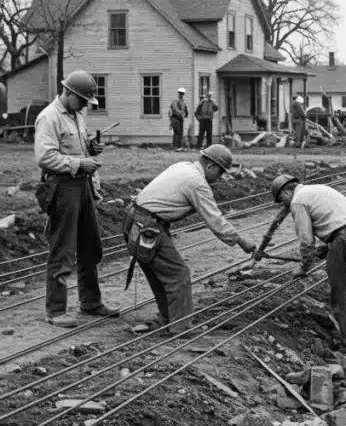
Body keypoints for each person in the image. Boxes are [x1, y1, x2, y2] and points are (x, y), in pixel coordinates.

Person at [123, 145, 257, 333]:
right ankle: (180, 327)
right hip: (149, 226)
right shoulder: (197, 182)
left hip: (135, 219)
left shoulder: (182, 166)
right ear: (210, 166)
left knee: (159, 273)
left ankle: (168, 317)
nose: (219, 179)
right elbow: (215, 220)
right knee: (179, 275)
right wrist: (243, 242)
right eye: (220, 173)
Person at [258, 175, 346, 352]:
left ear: (286, 191)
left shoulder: (297, 201)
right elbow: (335, 219)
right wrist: (324, 246)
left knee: (342, 295)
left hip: (345, 241)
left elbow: (306, 240)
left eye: (281, 200)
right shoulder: (317, 190)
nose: (283, 204)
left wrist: (304, 266)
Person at [35, 70, 116, 328]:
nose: (84, 105)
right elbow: (45, 157)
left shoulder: (76, 115)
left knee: (90, 246)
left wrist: (90, 148)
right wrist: (80, 162)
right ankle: (56, 310)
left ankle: (91, 302)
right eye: (82, 100)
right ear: (68, 93)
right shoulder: (49, 117)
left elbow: (75, 148)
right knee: (63, 249)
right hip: (62, 187)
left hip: (82, 186)